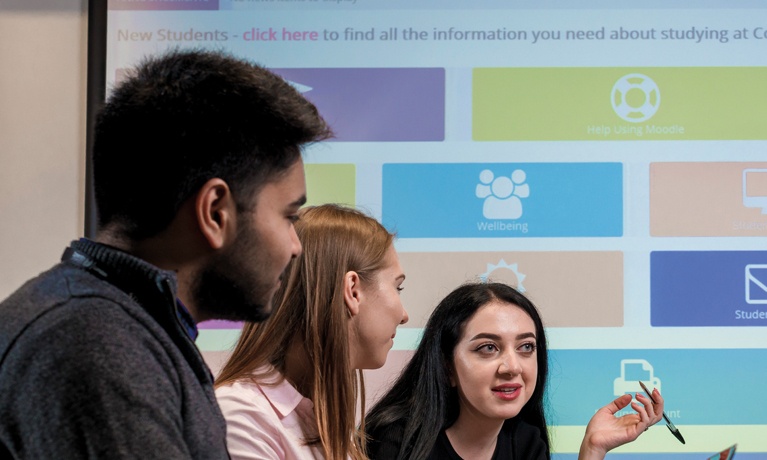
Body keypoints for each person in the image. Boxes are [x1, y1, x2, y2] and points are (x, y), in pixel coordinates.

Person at [0, 49, 331, 459]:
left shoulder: (120, 326)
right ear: (215, 212)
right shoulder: (99, 350)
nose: (295, 246)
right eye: (289, 216)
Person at [365, 282, 664, 460]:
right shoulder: (395, 443)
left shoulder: (525, 443)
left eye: (526, 348)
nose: (513, 368)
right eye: (488, 348)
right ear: (447, 367)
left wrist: (592, 449)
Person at [215, 204, 409, 460]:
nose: (404, 316)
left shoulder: (324, 421)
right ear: (352, 290)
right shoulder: (241, 414)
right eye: (398, 288)